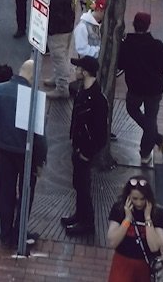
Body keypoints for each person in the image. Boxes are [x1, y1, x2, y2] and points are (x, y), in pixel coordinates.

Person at [0, 58, 46, 251]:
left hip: (4, 150)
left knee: (7, 192)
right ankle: (19, 233)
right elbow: (39, 137)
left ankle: (5, 234)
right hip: (25, 154)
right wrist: (39, 161)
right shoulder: (34, 97)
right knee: (26, 192)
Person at [61, 56, 108, 237]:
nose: (76, 70)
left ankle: (87, 223)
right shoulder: (82, 92)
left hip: (84, 152)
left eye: (78, 68)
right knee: (78, 184)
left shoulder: (97, 100)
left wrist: (87, 153)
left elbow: (100, 133)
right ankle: (79, 215)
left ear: (86, 72)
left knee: (84, 186)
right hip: (78, 147)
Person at [118, 12, 163, 166]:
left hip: (135, 88)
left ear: (133, 24)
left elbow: (120, 65)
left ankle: (159, 141)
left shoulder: (126, 44)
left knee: (132, 109)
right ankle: (146, 152)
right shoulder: (157, 45)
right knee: (151, 118)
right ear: (149, 26)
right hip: (154, 90)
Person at [106, 177, 163, 282]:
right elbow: (112, 242)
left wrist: (148, 218)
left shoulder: (158, 213)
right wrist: (127, 219)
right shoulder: (119, 209)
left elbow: (154, 246)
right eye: (135, 199)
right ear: (128, 197)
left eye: (142, 199)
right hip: (122, 263)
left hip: (144, 265)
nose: (139, 203)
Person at [46, 0, 77, 97]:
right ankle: (57, 77)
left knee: (59, 57)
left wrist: (50, 29)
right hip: (68, 26)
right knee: (61, 55)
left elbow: (55, 15)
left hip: (58, 30)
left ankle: (62, 87)